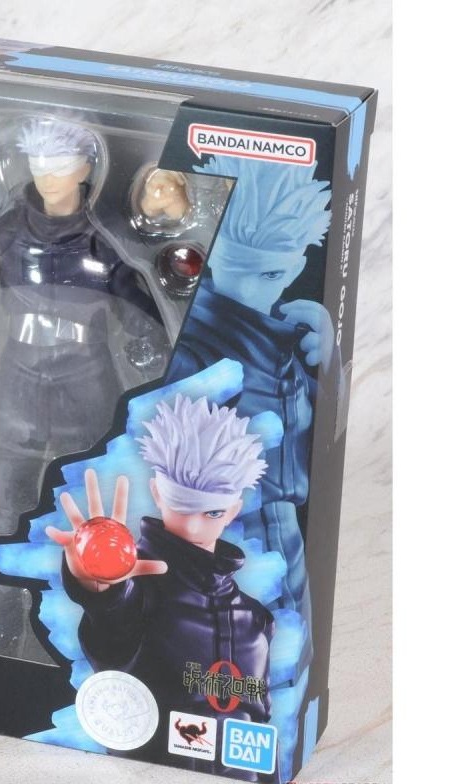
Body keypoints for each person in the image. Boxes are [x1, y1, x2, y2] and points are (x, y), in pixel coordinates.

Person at [0, 117, 173, 655]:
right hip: (18, 395)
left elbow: (144, 322)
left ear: (84, 169)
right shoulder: (5, 235)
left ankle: (89, 625)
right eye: (38, 163)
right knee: (8, 516)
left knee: (92, 519)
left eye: (59, 163)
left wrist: (161, 386)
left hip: (89, 396)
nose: (47, 175)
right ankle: (1, 623)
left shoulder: (104, 245)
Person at [167, 156, 335, 781]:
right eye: (242, 267)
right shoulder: (192, 342)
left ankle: (268, 742)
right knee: (218, 661)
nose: (256, 288)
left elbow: (317, 445)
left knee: (284, 659)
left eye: (276, 270)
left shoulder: (287, 336)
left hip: (280, 530)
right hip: (219, 536)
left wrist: (327, 364)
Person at [47, 394, 274, 778]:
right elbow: (112, 615)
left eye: (213, 511)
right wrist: (99, 580)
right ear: (157, 492)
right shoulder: (142, 592)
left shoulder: (256, 619)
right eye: (181, 505)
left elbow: (261, 727)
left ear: (233, 510)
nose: (194, 526)